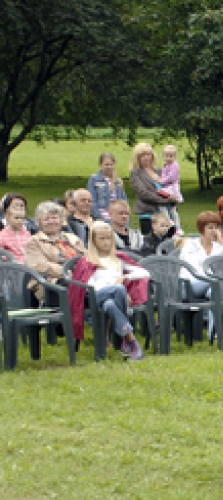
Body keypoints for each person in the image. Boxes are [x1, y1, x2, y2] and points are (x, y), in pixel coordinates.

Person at [67, 222, 149, 360]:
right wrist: (114, 288)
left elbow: (145, 273)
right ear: (93, 240)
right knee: (118, 289)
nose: (106, 242)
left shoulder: (118, 258)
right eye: (102, 239)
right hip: (94, 296)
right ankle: (128, 338)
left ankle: (129, 340)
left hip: (113, 298)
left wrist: (125, 276)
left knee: (110, 304)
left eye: (109, 238)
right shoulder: (87, 260)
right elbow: (87, 285)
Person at [179, 211, 223, 339]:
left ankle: (213, 334)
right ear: (201, 229)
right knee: (220, 285)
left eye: (216, 227)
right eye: (210, 227)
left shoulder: (218, 246)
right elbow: (195, 270)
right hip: (191, 284)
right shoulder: (191, 245)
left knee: (216, 291)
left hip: (213, 284)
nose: (214, 231)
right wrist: (216, 276)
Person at [25, 201, 86, 295]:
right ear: (39, 222)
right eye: (46, 219)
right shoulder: (34, 241)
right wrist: (68, 273)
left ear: (61, 220)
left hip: (81, 276)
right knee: (77, 286)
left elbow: (87, 257)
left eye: (54, 218)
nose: (51, 221)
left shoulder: (73, 238)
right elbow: (39, 265)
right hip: (52, 282)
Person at [129, 142, 173, 235]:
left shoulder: (159, 171)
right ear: (137, 157)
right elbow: (144, 193)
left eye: (148, 154)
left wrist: (173, 196)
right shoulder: (135, 173)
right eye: (143, 155)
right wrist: (165, 201)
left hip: (165, 214)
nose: (146, 157)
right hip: (148, 214)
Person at [86, 152, 127, 221]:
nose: (109, 167)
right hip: (102, 215)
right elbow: (92, 200)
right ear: (100, 165)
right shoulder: (94, 179)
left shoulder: (118, 181)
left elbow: (123, 200)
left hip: (117, 215)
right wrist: (98, 216)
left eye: (111, 164)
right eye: (106, 165)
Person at [160, 145, 183, 229]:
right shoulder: (165, 164)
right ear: (163, 155)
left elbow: (172, 177)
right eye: (167, 156)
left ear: (175, 156)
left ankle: (175, 225)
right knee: (166, 205)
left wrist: (162, 181)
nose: (169, 158)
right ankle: (169, 221)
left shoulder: (174, 165)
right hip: (167, 186)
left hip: (171, 187)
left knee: (168, 205)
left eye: (171, 156)